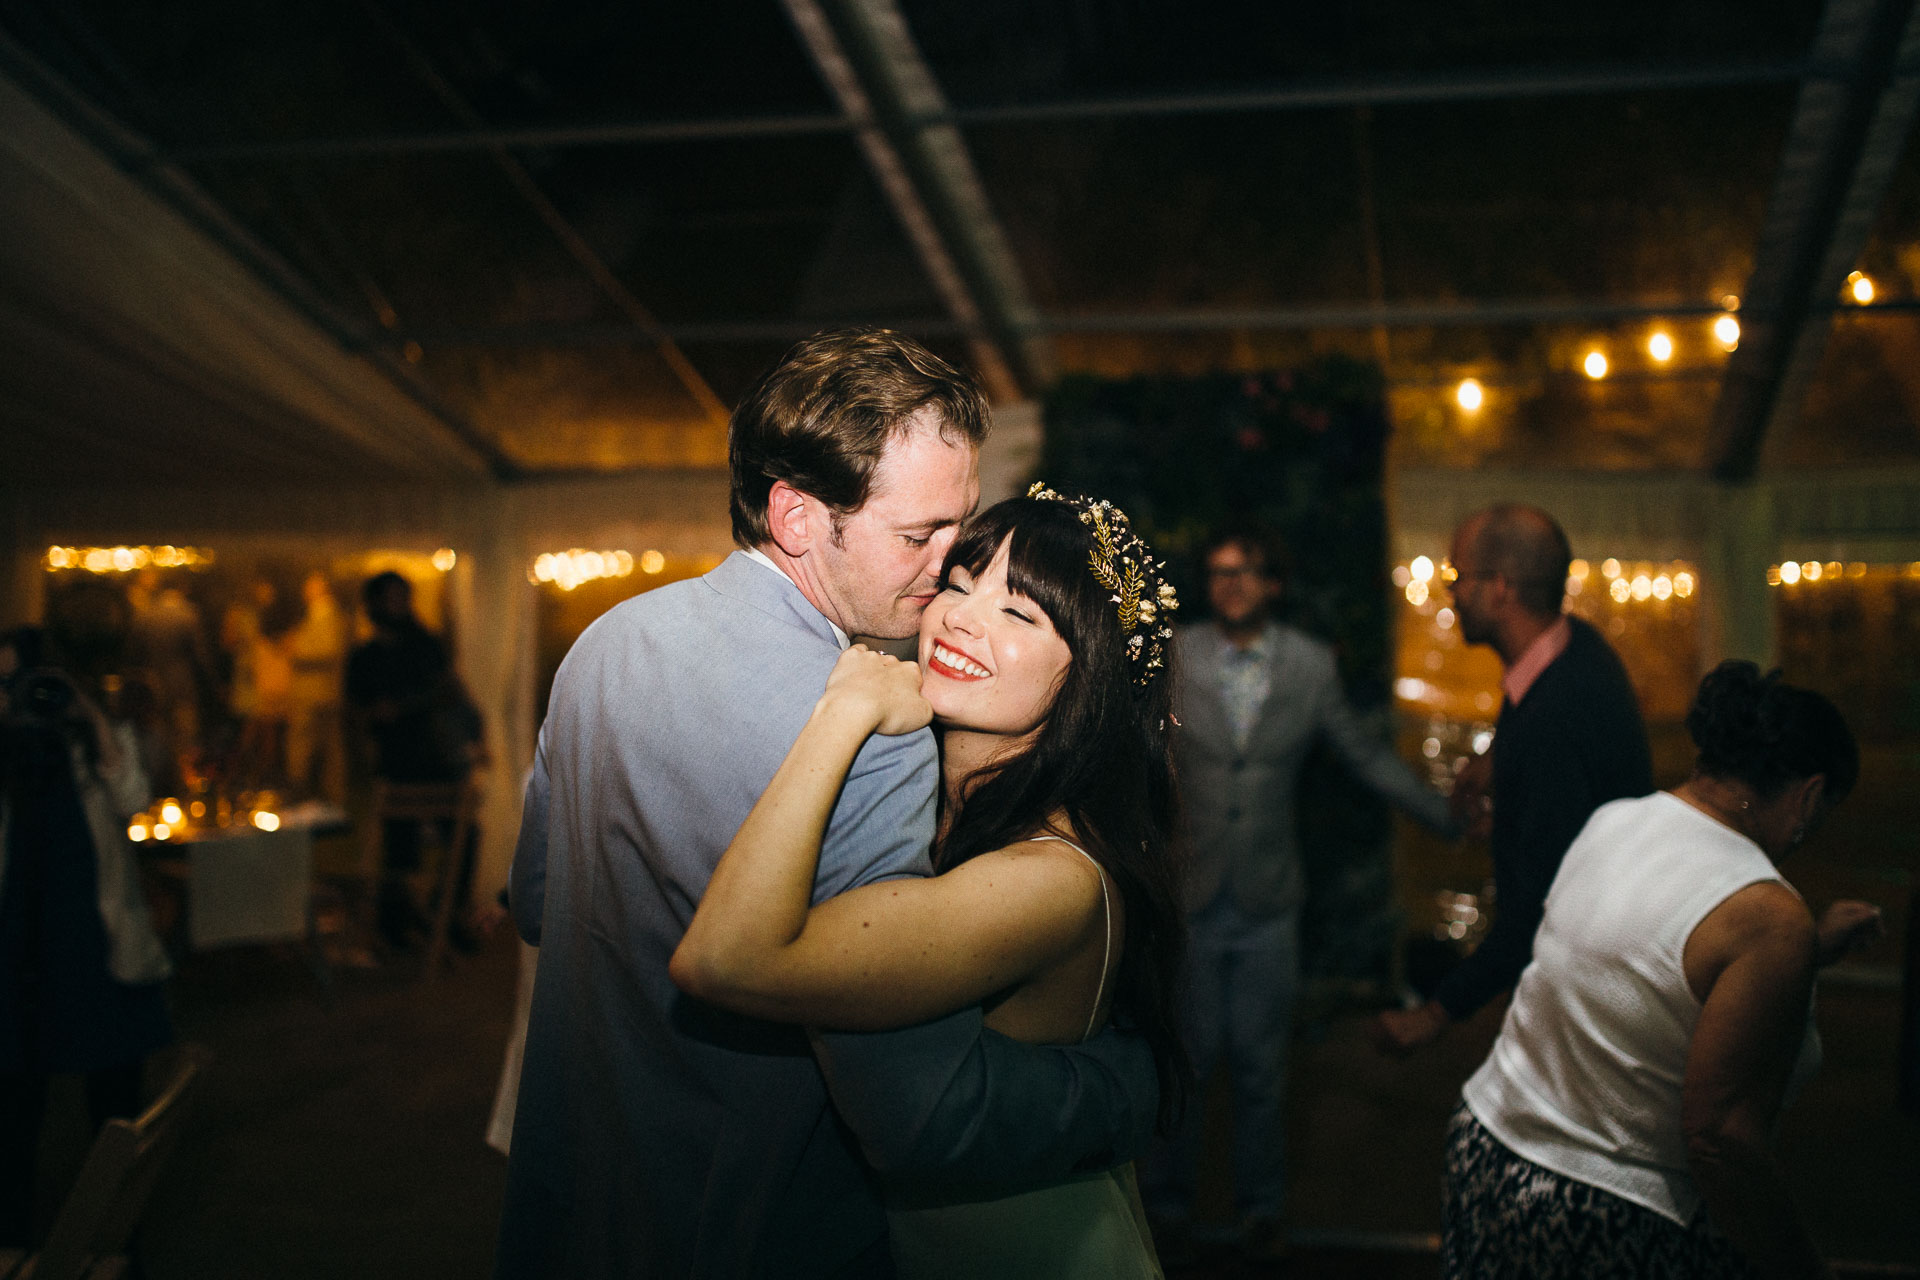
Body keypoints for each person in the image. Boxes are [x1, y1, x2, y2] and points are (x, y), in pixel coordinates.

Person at [499, 330, 1161, 1279]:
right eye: (919, 536)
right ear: (798, 517)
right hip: (754, 1221)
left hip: (578, 1189)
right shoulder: (875, 735)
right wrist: (1120, 1088)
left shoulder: (606, 643)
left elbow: (536, 901)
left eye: (956, 528)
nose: (944, 569)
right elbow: (906, 1109)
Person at [671, 487, 1186, 1278]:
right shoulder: (941, 811)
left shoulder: (1050, 876)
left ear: (1089, 680)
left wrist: (839, 716)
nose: (961, 617)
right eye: (959, 582)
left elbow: (725, 959)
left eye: (1020, 614)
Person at [1443, 662, 1882, 1279]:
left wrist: (1808, 948)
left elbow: (1647, 962)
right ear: (1809, 796)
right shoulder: (1768, 918)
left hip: (1488, 1150)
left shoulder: (1616, 819)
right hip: (1600, 1214)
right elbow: (1719, 1140)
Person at [1143, 528, 1458, 1258]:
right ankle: (1166, 1208)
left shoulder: (1310, 667)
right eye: (1219, 572)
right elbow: (1134, 748)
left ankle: (1261, 1210)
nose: (1231, 584)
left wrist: (1443, 814)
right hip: (1191, 891)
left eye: (1246, 570)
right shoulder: (1175, 653)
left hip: (1268, 898)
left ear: (1272, 583)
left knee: (1259, 1066)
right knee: (1185, 1061)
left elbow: (1363, 753)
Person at [1375, 504, 1651, 1053]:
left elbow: (1540, 907)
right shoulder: (1576, 649)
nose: (1450, 593)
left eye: (1457, 576)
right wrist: (1498, 758)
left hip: (1585, 981)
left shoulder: (1555, 718)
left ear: (1498, 588)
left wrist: (1435, 1013)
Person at [0, 625, 173, 1251]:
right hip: (17, 964)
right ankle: (14, 1247)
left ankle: (120, 1247)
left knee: (114, 1118)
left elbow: (135, 798)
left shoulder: (90, 753)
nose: (25, 697)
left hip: (99, 957)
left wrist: (87, 712)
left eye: (33, 683)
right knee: (15, 1124)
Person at [345, 572, 470, 951]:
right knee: (400, 848)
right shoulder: (365, 656)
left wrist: (408, 707)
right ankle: (398, 924)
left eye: (403, 598)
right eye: (391, 599)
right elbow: (358, 708)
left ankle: (444, 914)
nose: (398, 606)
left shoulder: (426, 646)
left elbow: (447, 691)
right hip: (397, 763)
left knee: (463, 836)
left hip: (435, 762)